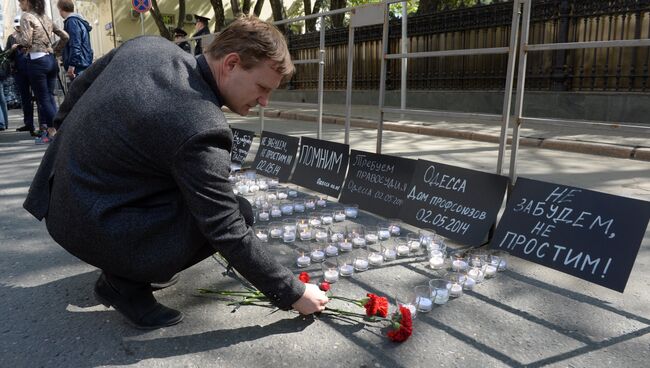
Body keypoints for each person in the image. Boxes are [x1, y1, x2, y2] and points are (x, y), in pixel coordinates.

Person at [24, 16, 328, 330]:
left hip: (58, 195)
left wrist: (64, 132)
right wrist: (292, 292)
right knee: (240, 211)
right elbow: (225, 226)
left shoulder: (148, 46)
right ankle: (124, 283)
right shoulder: (200, 122)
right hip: (89, 223)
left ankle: (134, 260)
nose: (264, 101)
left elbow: (81, 83)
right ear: (232, 63)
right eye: (262, 88)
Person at [15, 0, 69, 142]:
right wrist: (55, 51)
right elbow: (65, 36)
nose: (20, 5)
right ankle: (53, 132)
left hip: (37, 62)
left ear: (27, 2)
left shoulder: (26, 17)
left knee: (44, 99)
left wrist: (17, 38)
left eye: (20, 2)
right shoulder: (45, 17)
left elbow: (26, 41)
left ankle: (59, 132)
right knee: (49, 97)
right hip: (51, 60)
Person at [7, 15, 35, 135]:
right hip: (19, 71)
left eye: (20, 26)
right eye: (17, 26)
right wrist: (12, 49)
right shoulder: (11, 37)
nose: (19, 28)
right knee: (25, 98)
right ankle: (29, 123)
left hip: (32, 69)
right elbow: (7, 55)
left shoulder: (30, 34)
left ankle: (44, 125)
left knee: (38, 97)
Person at [57, 0, 94, 81]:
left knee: (80, 92)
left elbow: (75, 44)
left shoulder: (71, 21)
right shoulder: (78, 20)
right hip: (83, 63)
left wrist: (71, 66)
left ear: (61, 9)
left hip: (78, 66)